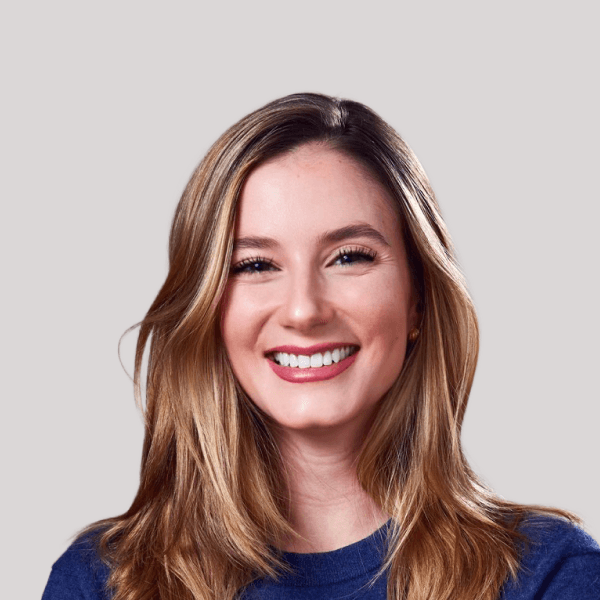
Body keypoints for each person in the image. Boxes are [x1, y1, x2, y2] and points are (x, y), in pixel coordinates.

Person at [42, 93, 600, 600]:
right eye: (255, 265)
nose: (304, 310)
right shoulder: (102, 583)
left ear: (418, 299)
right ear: (208, 310)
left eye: (349, 257)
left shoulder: (549, 576)